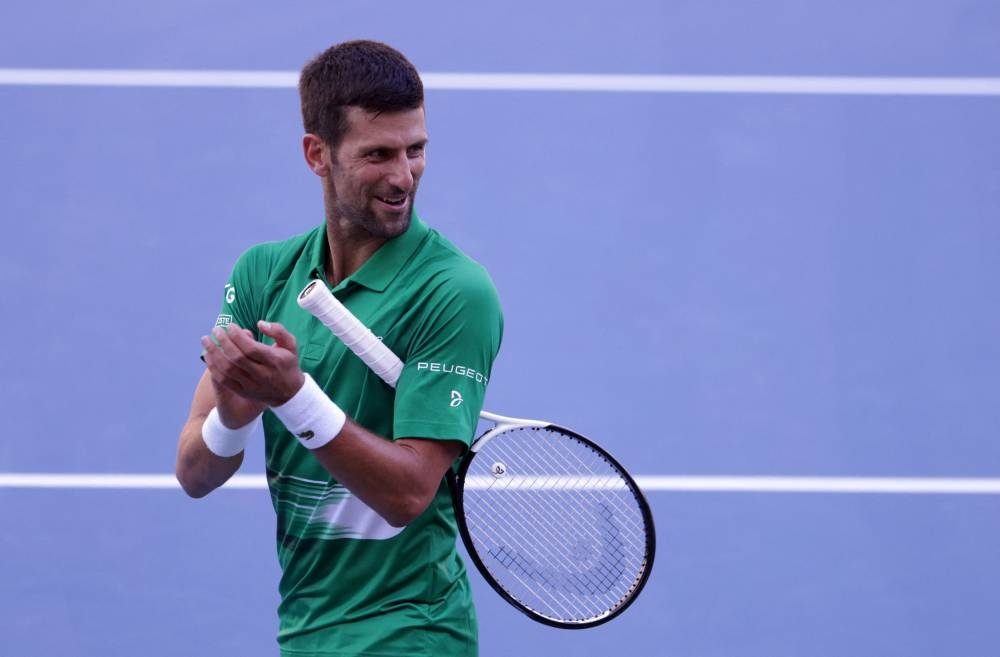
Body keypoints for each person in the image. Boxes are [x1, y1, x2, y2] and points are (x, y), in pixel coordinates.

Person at [175, 40, 503, 657]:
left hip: (409, 633)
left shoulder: (454, 292)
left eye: (416, 150)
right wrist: (235, 419)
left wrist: (293, 396)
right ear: (316, 154)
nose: (403, 176)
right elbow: (195, 472)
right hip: (306, 628)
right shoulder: (262, 275)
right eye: (377, 154)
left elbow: (408, 495)